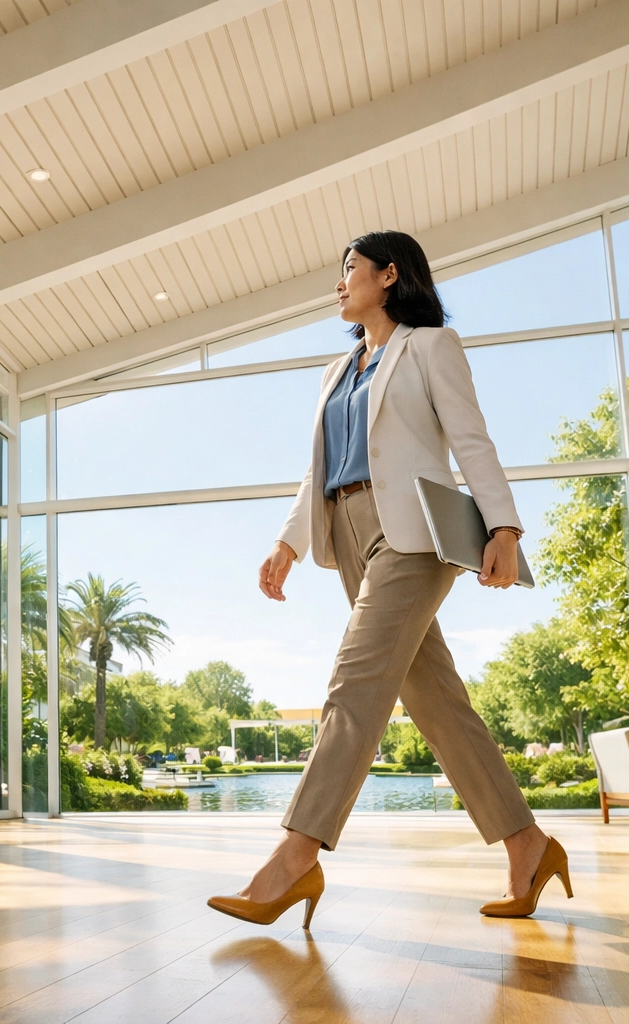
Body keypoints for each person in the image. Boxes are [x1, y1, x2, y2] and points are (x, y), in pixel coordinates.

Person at [206, 231, 571, 928]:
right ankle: (529, 845)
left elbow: (471, 439)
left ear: (388, 274)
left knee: (357, 681)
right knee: (436, 703)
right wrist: (288, 541)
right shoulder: (336, 372)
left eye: (349, 270)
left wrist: (505, 528)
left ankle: (294, 858)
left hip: (414, 534)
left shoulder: (431, 346)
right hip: (345, 531)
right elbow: (317, 468)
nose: (339, 284)